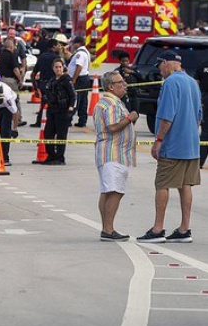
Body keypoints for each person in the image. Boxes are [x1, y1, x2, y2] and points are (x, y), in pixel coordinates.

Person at [137, 51, 202, 244]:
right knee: (185, 185)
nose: (160, 71)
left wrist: (159, 140)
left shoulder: (171, 83)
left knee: (162, 184)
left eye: (159, 67)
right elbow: (199, 115)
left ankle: (158, 229)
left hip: (172, 145)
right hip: (191, 144)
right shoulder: (192, 83)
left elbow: (167, 115)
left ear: (166, 63)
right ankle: (184, 229)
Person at [93, 71, 138, 241]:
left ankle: (107, 227)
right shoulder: (110, 104)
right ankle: (108, 229)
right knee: (114, 191)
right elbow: (112, 127)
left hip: (111, 153)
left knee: (107, 191)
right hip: (113, 153)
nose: (124, 84)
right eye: (120, 82)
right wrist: (129, 118)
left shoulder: (108, 102)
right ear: (111, 86)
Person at [41, 59, 76, 165]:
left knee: (61, 135)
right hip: (52, 110)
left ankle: (60, 157)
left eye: (60, 67)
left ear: (63, 68)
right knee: (48, 134)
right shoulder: (51, 80)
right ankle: (51, 156)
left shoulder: (66, 80)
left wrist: (70, 108)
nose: (58, 69)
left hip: (63, 111)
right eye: (56, 67)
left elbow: (73, 95)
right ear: (53, 68)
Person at [67, 35, 93, 128]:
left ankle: (69, 119)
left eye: (74, 43)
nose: (73, 45)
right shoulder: (85, 52)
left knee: (75, 99)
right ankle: (82, 120)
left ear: (79, 43)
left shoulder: (80, 54)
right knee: (82, 100)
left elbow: (79, 66)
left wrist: (74, 79)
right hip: (84, 78)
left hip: (79, 79)